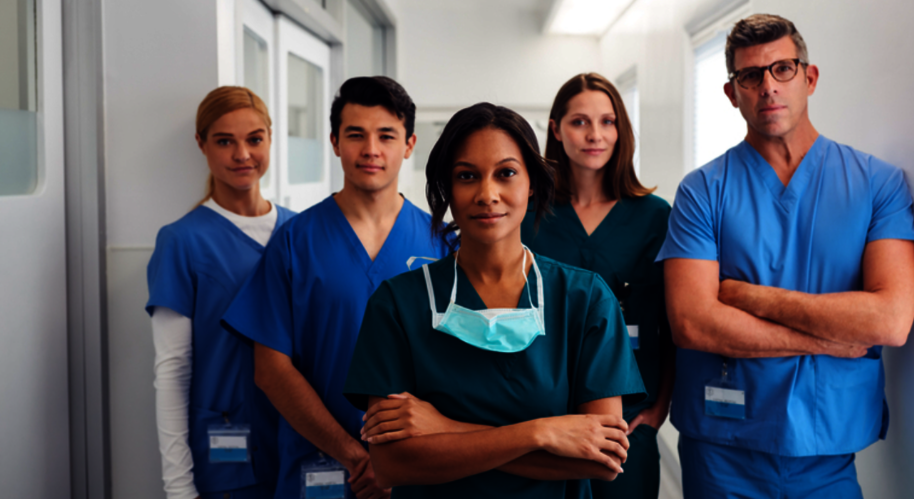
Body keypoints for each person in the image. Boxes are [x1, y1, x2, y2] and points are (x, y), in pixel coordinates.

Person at [657, 14, 914, 498]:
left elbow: (890, 319)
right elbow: (694, 323)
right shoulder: (702, 192)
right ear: (732, 93)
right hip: (721, 451)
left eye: (782, 69)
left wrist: (748, 297)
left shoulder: (876, 184)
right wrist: (828, 342)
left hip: (828, 452)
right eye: (750, 76)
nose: (767, 87)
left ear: (809, 77)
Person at [342, 102, 646, 499]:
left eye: (506, 174)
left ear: (532, 183)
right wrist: (542, 432)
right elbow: (391, 464)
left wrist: (446, 429)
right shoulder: (398, 305)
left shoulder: (584, 299)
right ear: (446, 189)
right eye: (467, 176)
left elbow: (600, 461)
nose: (487, 194)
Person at [222, 77, 449, 499]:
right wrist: (355, 457)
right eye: (355, 135)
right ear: (334, 141)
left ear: (410, 144)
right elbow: (271, 370)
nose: (371, 150)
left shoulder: (442, 244)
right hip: (321, 468)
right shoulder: (295, 241)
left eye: (386, 135)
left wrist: (401, 460)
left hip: (420, 469)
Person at [521, 73, 673, 499]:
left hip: (628, 418)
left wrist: (661, 406)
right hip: (544, 416)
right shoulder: (530, 215)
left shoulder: (655, 217)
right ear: (555, 129)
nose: (595, 135)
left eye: (608, 122)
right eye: (580, 122)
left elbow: (672, 323)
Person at [147, 86, 295, 499]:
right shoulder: (181, 241)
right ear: (202, 144)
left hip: (302, 446)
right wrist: (178, 488)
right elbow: (172, 373)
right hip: (227, 458)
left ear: (270, 137)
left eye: (254, 139)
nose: (242, 154)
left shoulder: (301, 232)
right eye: (224, 141)